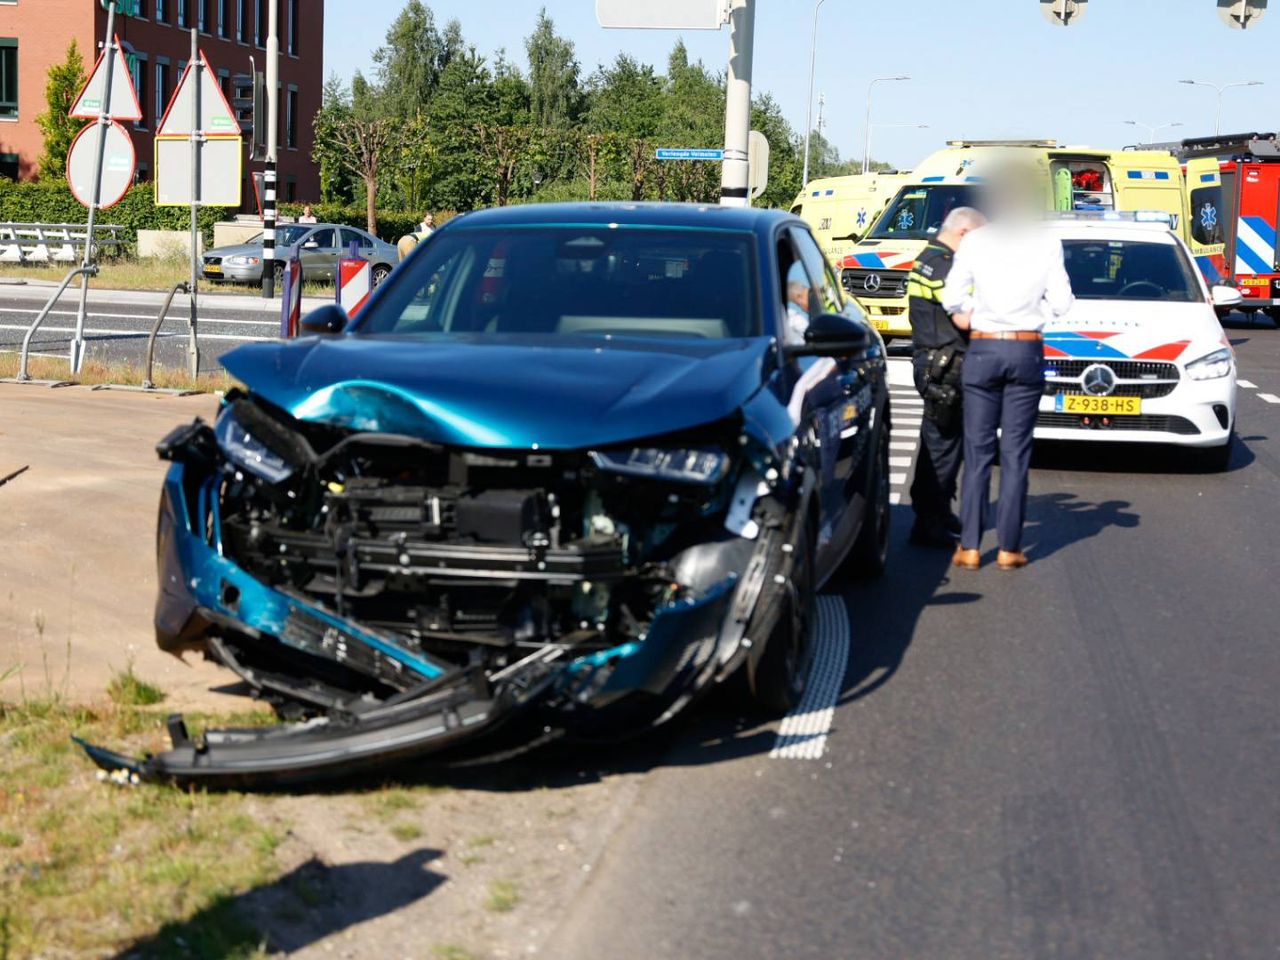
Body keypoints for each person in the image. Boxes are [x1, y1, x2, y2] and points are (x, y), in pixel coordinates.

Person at [942, 214, 1074, 571]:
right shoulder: (1047, 243)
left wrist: (972, 315)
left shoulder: (976, 242)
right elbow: (1063, 303)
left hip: (984, 349)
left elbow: (951, 296)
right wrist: (1035, 312)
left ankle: (969, 546)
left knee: (978, 450)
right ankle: (1008, 549)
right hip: (1026, 349)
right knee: (1016, 453)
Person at [906, 207, 986, 548]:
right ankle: (930, 521)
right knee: (942, 445)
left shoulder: (928, 258)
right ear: (965, 234)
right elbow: (964, 313)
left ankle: (937, 511)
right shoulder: (943, 265)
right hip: (944, 365)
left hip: (937, 362)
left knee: (941, 443)